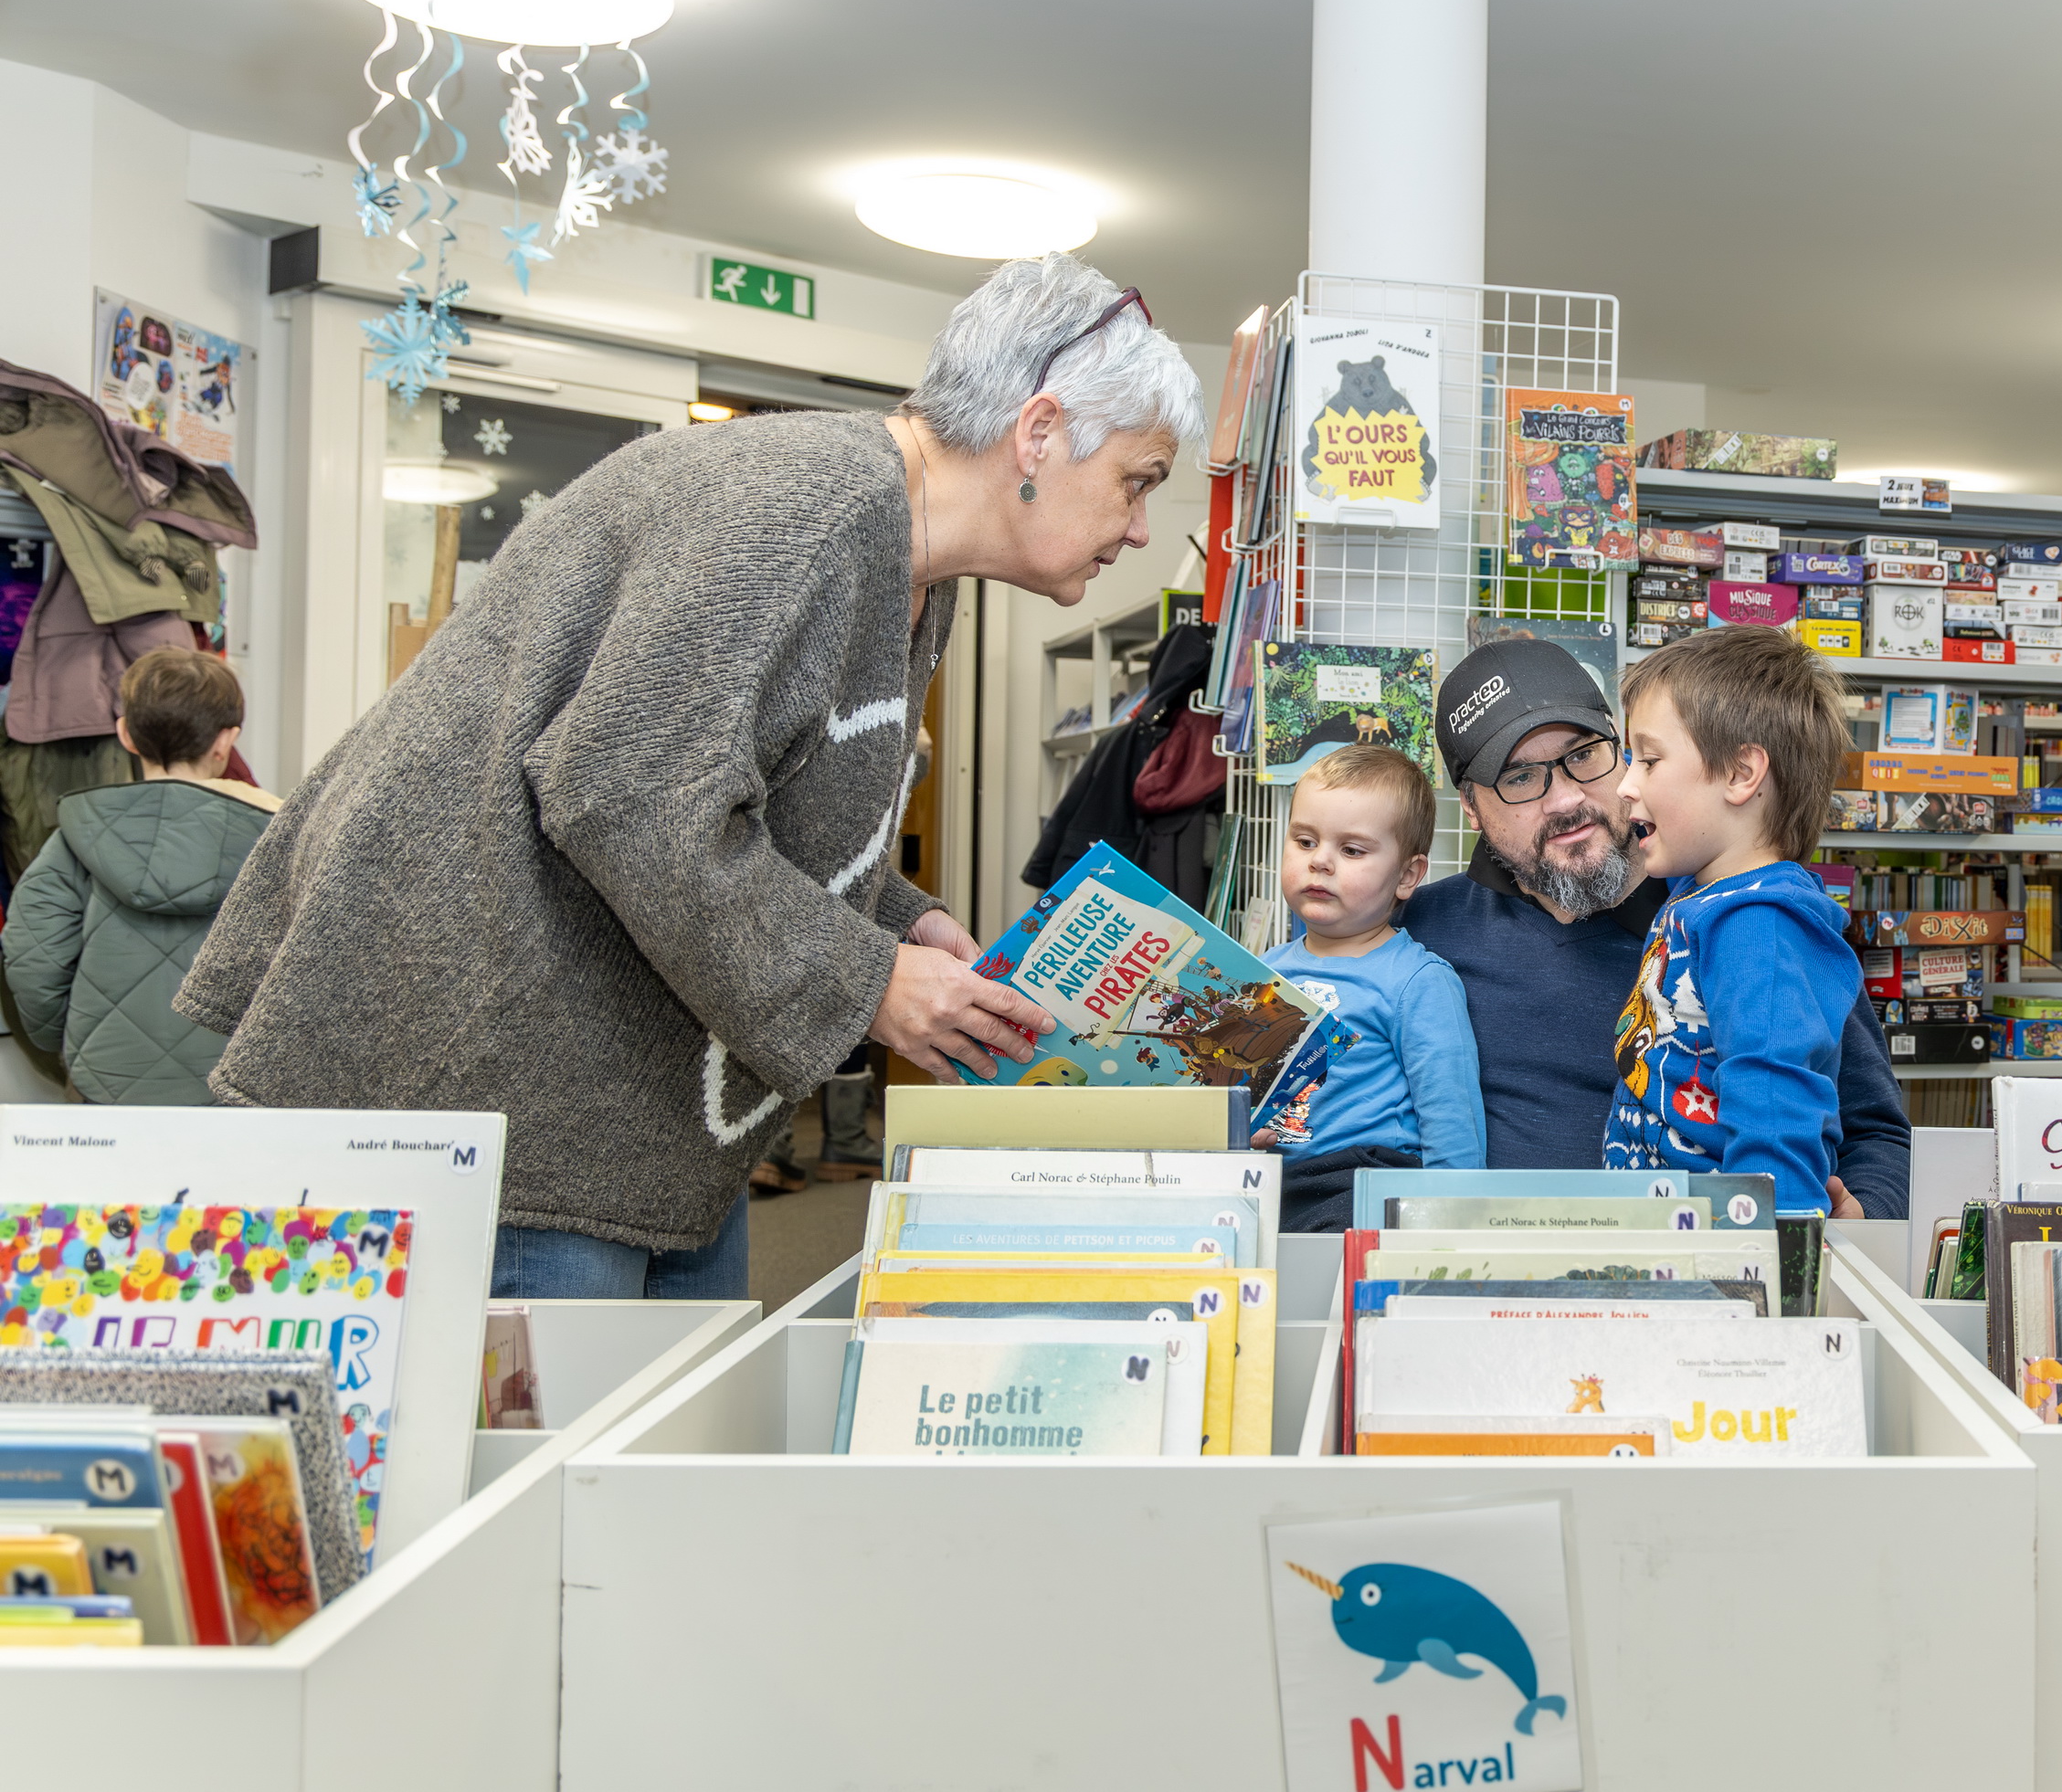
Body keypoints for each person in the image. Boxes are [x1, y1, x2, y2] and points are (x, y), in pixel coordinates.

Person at [178, 256, 1205, 1300]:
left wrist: (894, 920)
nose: (1137, 529)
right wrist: (867, 981)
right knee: (548, 1454)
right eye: (1137, 480)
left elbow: (739, 789)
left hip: (615, 1106)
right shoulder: (811, 504)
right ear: (1038, 432)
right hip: (487, 1087)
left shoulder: (908, 560)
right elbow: (625, 793)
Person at [1402, 638, 1909, 1216]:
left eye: (1584, 754)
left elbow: (1878, 1136)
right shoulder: (1413, 934)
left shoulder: (1749, 921)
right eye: (1519, 778)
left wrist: (1855, 1222)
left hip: (1720, 1276)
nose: (1566, 798)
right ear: (1470, 808)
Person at [1602, 627, 1862, 1214]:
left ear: (1741, 775)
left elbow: (1775, 1116)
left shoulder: (1761, 926)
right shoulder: (1700, 898)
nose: (1625, 786)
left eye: (1648, 759)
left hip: (1725, 1265)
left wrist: (1764, 1274)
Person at [4, 648, 280, 1104]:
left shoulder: (74, 841)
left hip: (104, 1085)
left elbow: (33, 960)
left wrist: (73, 1042)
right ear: (226, 741)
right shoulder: (277, 843)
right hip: (240, 1090)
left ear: (125, 734)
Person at [1259, 745, 1486, 1230]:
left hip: (1361, 1184)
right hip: (1267, 1181)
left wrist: (1454, 1227)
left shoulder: (1417, 981)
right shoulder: (1263, 970)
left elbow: (1451, 1120)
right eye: (1303, 841)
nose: (1320, 861)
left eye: (1352, 850)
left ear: (1407, 875)